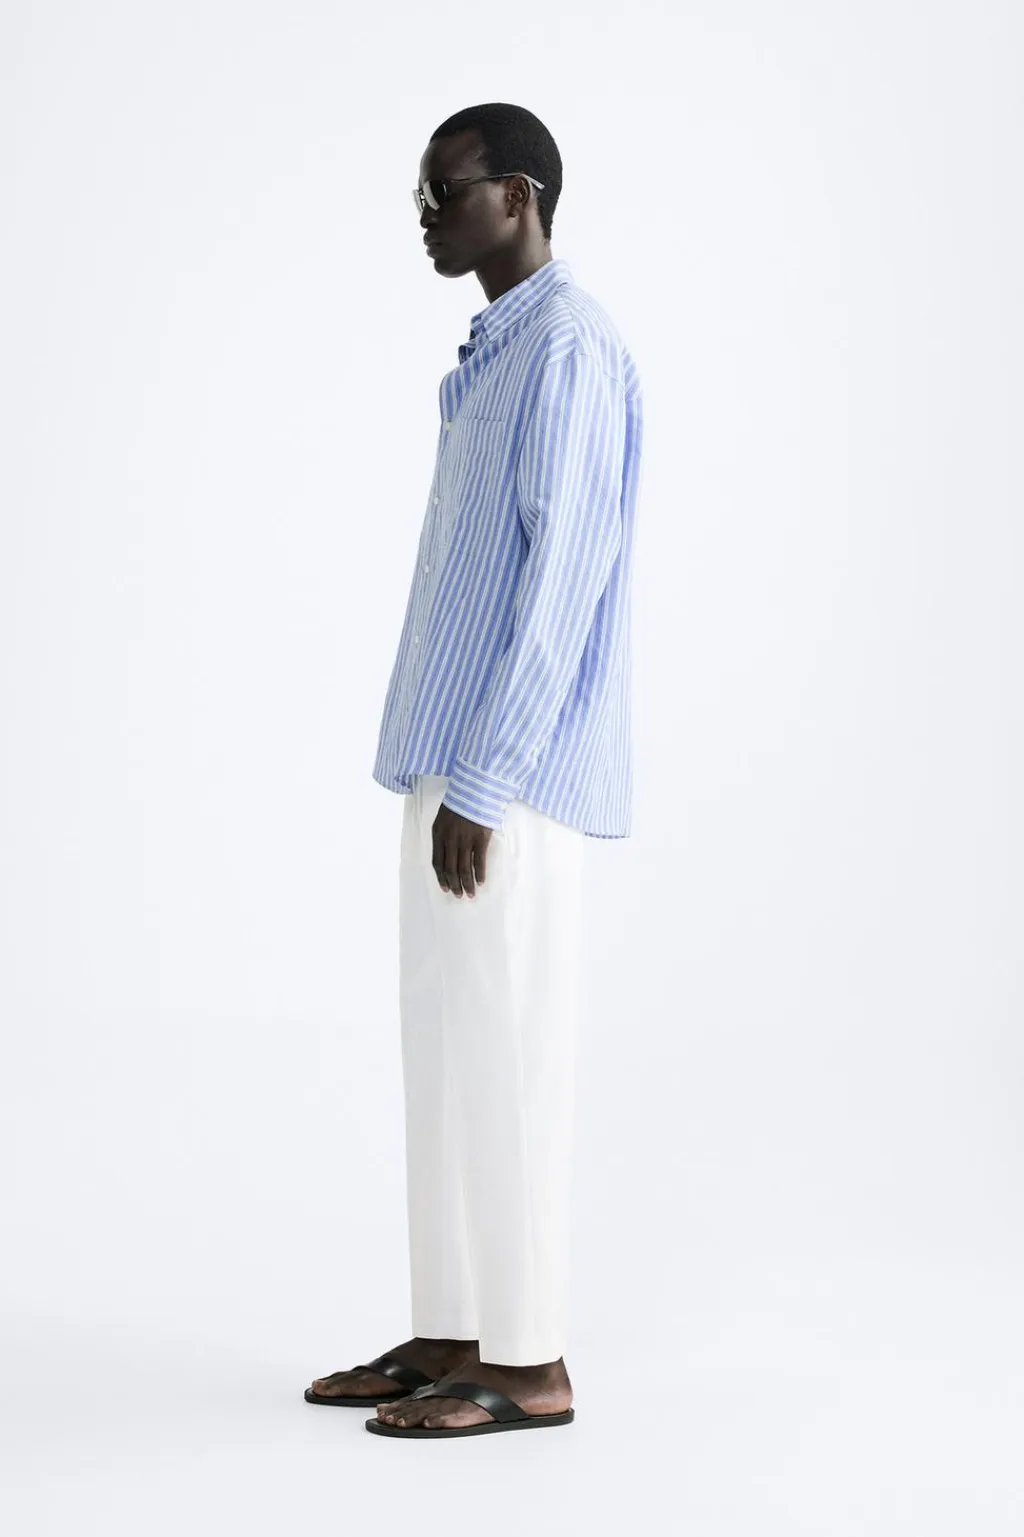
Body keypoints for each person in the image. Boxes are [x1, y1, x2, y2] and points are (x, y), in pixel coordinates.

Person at [306, 102, 644, 1439]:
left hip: (509, 784)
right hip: (446, 772)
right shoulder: (496, 353)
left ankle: (530, 1360)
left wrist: (490, 782)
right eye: (421, 195)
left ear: (519, 194)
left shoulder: (569, 349)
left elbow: (563, 588)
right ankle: (455, 1329)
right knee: (445, 1061)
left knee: (511, 1063)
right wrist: (449, 779)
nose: (426, 216)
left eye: (443, 192)